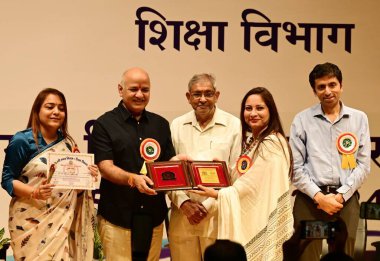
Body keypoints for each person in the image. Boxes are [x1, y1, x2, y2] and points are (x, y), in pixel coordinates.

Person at [192, 87, 294, 261]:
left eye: (259, 108)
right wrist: (224, 172)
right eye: (248, 108)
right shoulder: (254, 141)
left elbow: (251, 186)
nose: (253, 113)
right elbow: (245, 176)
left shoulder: (272, 143)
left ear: (271, 111)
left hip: (261, 222)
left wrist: (218, 194)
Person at [1, 88, 98, 260]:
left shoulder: (68, 143)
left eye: (61, 108)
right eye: (50, 107)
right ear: (37, 111)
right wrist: (34, 192)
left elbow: (74, 189)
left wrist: (87, 177)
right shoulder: (22, 141)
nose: (56, 112)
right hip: (29, 223)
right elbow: (7, 180)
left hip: (62, 222)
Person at [91, 67, 176, 261]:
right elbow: (105, 167)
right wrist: (132, 179)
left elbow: (167, 164)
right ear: (120, 90)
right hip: (117, 217)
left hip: (154, 216)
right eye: (133, 89)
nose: (140, 94)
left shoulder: (161, 124)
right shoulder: (104, 124)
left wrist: (179, 164)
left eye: (145, 89)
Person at [289, 62, 371, 260]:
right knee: (306, 255)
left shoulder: (359, 119)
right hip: (310, 201)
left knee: (344, 256)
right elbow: (296, 169)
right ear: (314, 90)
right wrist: (320, 198)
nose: (328, 91)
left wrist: (340, 196)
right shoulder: (302, 120)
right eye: (321, 87)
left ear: (341, 86)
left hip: (346, 200)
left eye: (332, 85)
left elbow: (363, 165)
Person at [167, 73, 241, 261]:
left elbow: (236, 174)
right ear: (188, 97)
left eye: (208, 94)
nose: (202, 99)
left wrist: (207, 205)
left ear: (217, 96)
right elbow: (168, 172)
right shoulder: (177, 125)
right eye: (197, 94)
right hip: (183, 216)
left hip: (217, 215)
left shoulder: (233, 125)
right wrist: (184, 203)